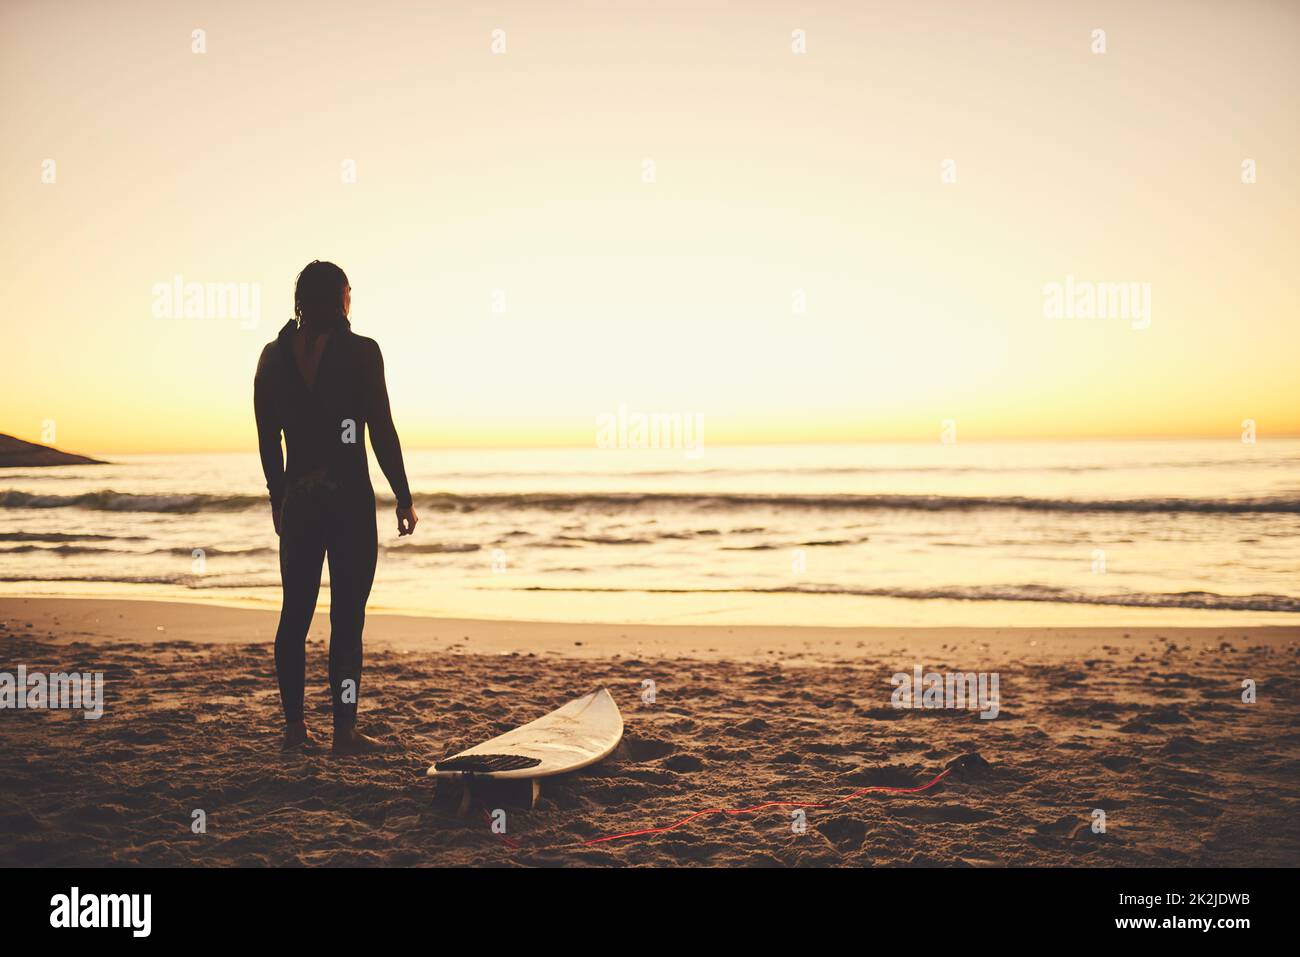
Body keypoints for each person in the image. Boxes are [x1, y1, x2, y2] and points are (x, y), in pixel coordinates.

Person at [254, 260, 417, 754]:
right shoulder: (361, 352)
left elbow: (268, 438)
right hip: (348, 498)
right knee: (348, 618)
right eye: (350, 292)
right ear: (342, 297)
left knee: (294, 615)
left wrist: (277, 495)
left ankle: (295, 731)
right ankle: (344, 732)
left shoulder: (271, 357)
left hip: (300, 500)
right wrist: (403, 496)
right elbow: (381, 430)